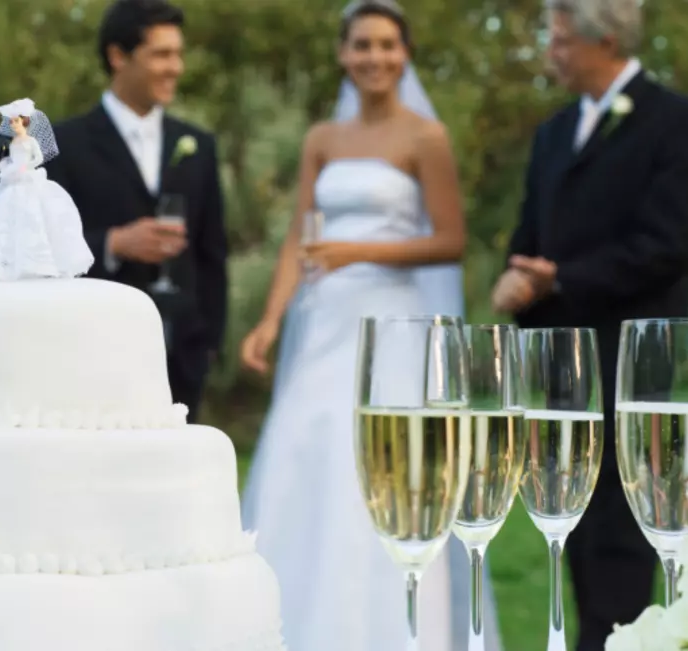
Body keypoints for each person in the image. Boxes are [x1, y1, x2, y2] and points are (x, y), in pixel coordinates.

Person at [239, 1, 500, 649]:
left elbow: (448, 240)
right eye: (361, 45)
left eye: (386, 45)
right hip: (322, 324)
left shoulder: (424, 138)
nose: (373, 57)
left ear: (404, 53)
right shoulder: (322, 140)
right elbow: (300, 240)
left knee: (383, 473)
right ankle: (291, 624)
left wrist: (357, 251)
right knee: (305, 453)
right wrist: (270, 319)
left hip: (393, 327)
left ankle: (396, 629)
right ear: (342, 55)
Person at [492, 0, 688, 648]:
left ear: (605, 40)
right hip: (557, 370)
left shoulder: (677, 122)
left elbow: (667, 243)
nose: (550, 53)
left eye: (560, 41)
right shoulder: (552, 132)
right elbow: (528, 236)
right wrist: (514, 279)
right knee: (570, 527)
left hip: (631, 365)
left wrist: (557, 276)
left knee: (620, 534)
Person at [47, 0, 227, 422]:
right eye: (162, 54)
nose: (176, 67)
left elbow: (212, 252)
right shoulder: (63, 144)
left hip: (183, 359)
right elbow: (46, 247)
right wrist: (114, 243)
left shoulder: (198, 145)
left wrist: (209, 343)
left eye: (178, 54)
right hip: (93, 354)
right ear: (118, 56)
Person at [0, 98, 94, 281]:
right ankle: (6, 264)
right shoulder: (12, 142)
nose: (13, 124)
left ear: (24, 122)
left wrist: (25, 167)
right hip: (11, 178)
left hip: (26, 177)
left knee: (32, 215)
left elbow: (38, 158)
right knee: (5, 216)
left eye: (16, 121)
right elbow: (7, 161)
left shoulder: (30, 141)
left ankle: (36, 262)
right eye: (11, 121)